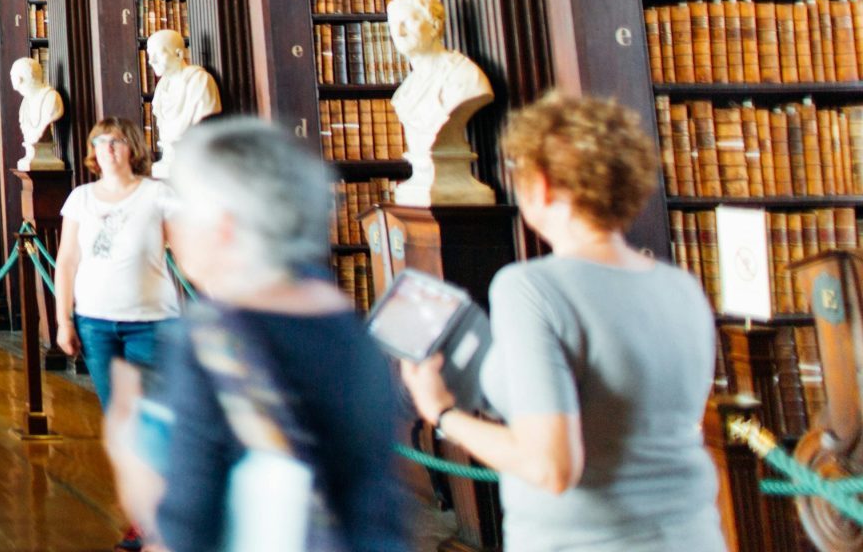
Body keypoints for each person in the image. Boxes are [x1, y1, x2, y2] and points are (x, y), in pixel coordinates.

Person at [397, 92, 724, 552]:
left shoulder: (531, 288)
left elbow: (551, 468)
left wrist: (442, 413)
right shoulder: (682, 288)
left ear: (543, 185)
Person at [108, 117, 411, 552]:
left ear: (224, 226)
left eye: (184, 212)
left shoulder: (213, 339)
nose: (175, 231)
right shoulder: (346, 321)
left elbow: (185, 530)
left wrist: (127, 453)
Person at [53, 118, 179, 413]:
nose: (107, 149)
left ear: (132, 148)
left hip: (151, 321)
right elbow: (67, 261)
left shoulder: (158, 195)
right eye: (100, 142)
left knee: (153, 413)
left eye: (116, 142)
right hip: (95, 322)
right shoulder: (80, 198)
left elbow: (187, 255)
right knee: (118, 414)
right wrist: (64, 321)